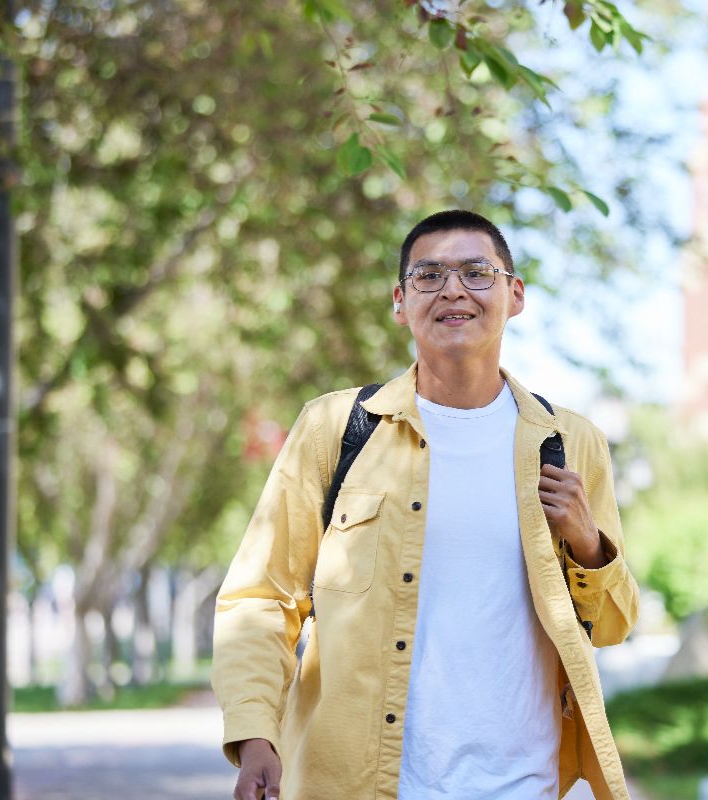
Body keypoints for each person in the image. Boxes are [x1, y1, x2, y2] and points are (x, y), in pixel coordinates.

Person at [212, 209, 640, 800]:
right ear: (400, 300)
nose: (453, 290)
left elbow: (613, 624)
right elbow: (261, 598)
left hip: (521, 784)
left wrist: (588, 543)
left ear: (515, 295)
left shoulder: (568, 443)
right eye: (430, 276)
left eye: (476, 272)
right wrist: (256, 735)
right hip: (362, 784)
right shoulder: (336, 429)